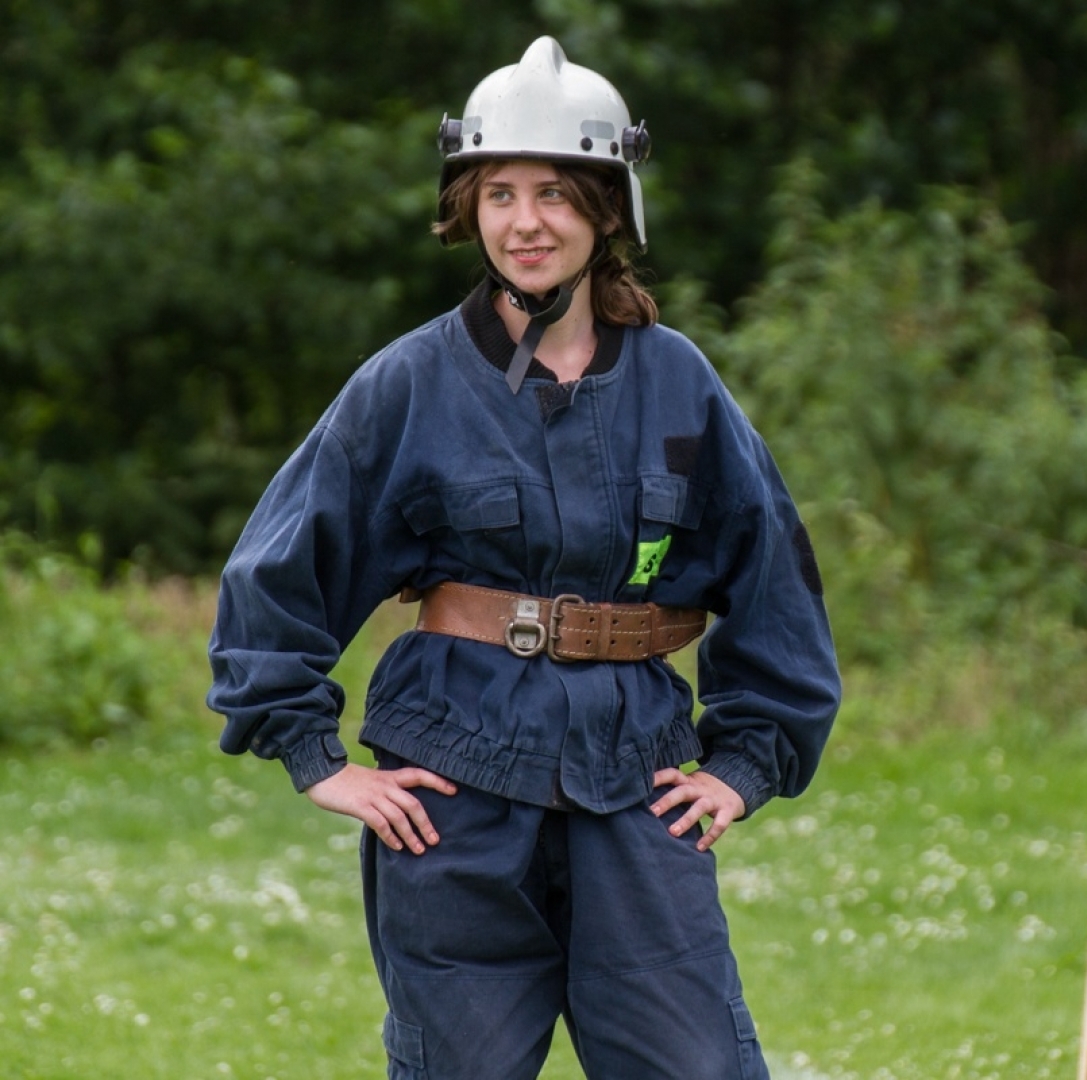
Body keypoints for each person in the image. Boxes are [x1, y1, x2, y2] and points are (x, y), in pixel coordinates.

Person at [206, 35, 840, 1080]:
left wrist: (745, 763)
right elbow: (279, 570)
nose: (525, 221)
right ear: (470, 209)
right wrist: (315, 758)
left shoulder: (679, 384)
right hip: (452, 792)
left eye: (554, 192)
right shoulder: (408, 384)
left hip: (636, 785)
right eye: (499, 193)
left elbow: (772, 573)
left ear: (608, 209)